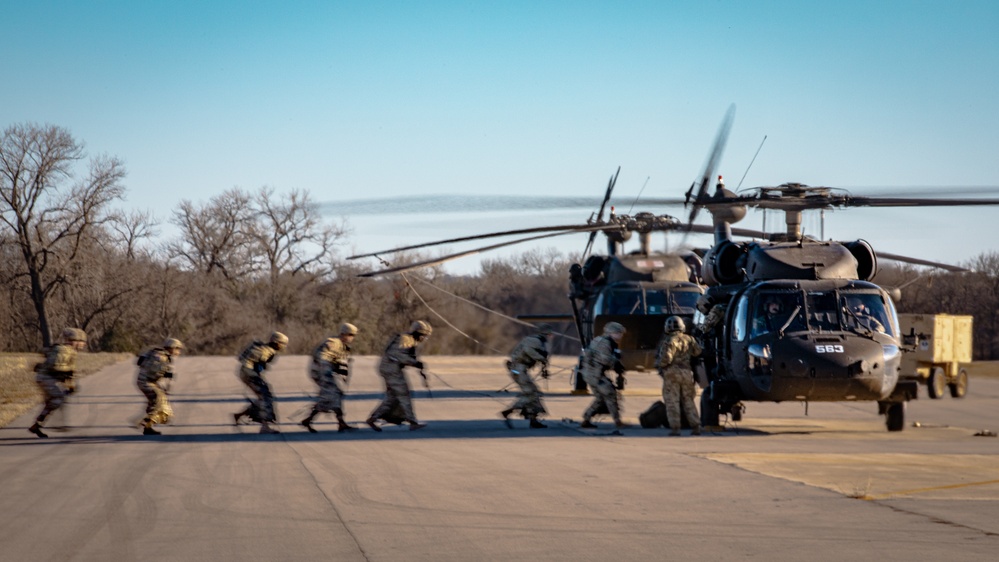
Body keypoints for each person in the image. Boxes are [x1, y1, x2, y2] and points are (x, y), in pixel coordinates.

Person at [366, 321, 432, 432]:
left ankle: (373, 418)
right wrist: (415, 363)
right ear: (418, 333)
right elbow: (397, 355)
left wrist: (416, 364)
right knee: (403, 393)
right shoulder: (405, 339)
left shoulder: (409, 340)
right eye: (424, 335)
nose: (424, 339)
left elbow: (405, 356)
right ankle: (412, 421)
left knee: (392, 396)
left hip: (389, 368)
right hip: (391, 369)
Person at [29, 328, 87, 438]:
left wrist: (70, 385)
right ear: (73, 341)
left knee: (53, 401)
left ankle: (36, 426)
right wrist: (64, 374)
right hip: (46, 378)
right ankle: (39, 424)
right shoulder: (63, 350)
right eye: (82, 341)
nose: (83, 344)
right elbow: (54, 366)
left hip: (47, 378)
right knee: (57, 399)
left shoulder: (69, 351)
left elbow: (69, 372)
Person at [301, 323, 358, 433]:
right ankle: (339, 423)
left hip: (326, 372)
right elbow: (321, 355)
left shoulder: (343, 346)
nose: (352, 338)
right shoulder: (334, 342)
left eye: (353, 335)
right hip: (322, 372)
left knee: (333, 395)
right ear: (343, 334)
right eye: (350, 335)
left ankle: (309, 420)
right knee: (333, 395)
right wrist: (327, 366)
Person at [233, 331, 288, 434]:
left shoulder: (262, 347)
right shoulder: (268, 351)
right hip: (249, 373)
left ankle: (240, 415)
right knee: (266, 397)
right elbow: (260, 366)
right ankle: (265, 426)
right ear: (277, 343)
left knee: (263, 396)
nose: (283, 347)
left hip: (245, 372)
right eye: (282, 344)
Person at [656, 316, 703, 436]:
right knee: (688, 400)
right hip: (687, 373)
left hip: (672, 374)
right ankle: (696, 426)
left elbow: (667, 358)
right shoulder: (690, 339)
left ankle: (675, 428)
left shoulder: (668, 340)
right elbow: (698, 352)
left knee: (672, 401)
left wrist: (661, 365)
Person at [499, 323, 552, 429]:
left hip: (519, 369)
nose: (550, 336)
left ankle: (533, 419)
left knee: (533, 393)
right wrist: (541, 358)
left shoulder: (535, 340)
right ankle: (510, 411)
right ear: (545, 333)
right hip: (518, 369)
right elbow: (529, 351)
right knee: (531, 393)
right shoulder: (535, 340)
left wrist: (543, 365)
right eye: (549, 334)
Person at [580, 322, 628, 430]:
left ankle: (586, 418)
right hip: (595, 374)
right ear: (612, 333)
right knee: (610, 394)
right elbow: (606, 360)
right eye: (618, 333)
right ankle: (617, 421)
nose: (621, 336)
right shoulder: (605, 343)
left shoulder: (601, 340)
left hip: (591, 374)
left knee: (601, 398)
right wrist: (617, 364)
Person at [135, 338, 184, 436]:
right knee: (159, 401)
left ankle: (147, 427)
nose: (178, 352)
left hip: (144, 381)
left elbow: (139, 362)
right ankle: (144, 422)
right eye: (177, 349)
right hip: (146, 382)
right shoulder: (162, 356)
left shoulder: (154, 351)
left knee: (156, 402)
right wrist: (166, 374)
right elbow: (154, 372)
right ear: (172, 348)